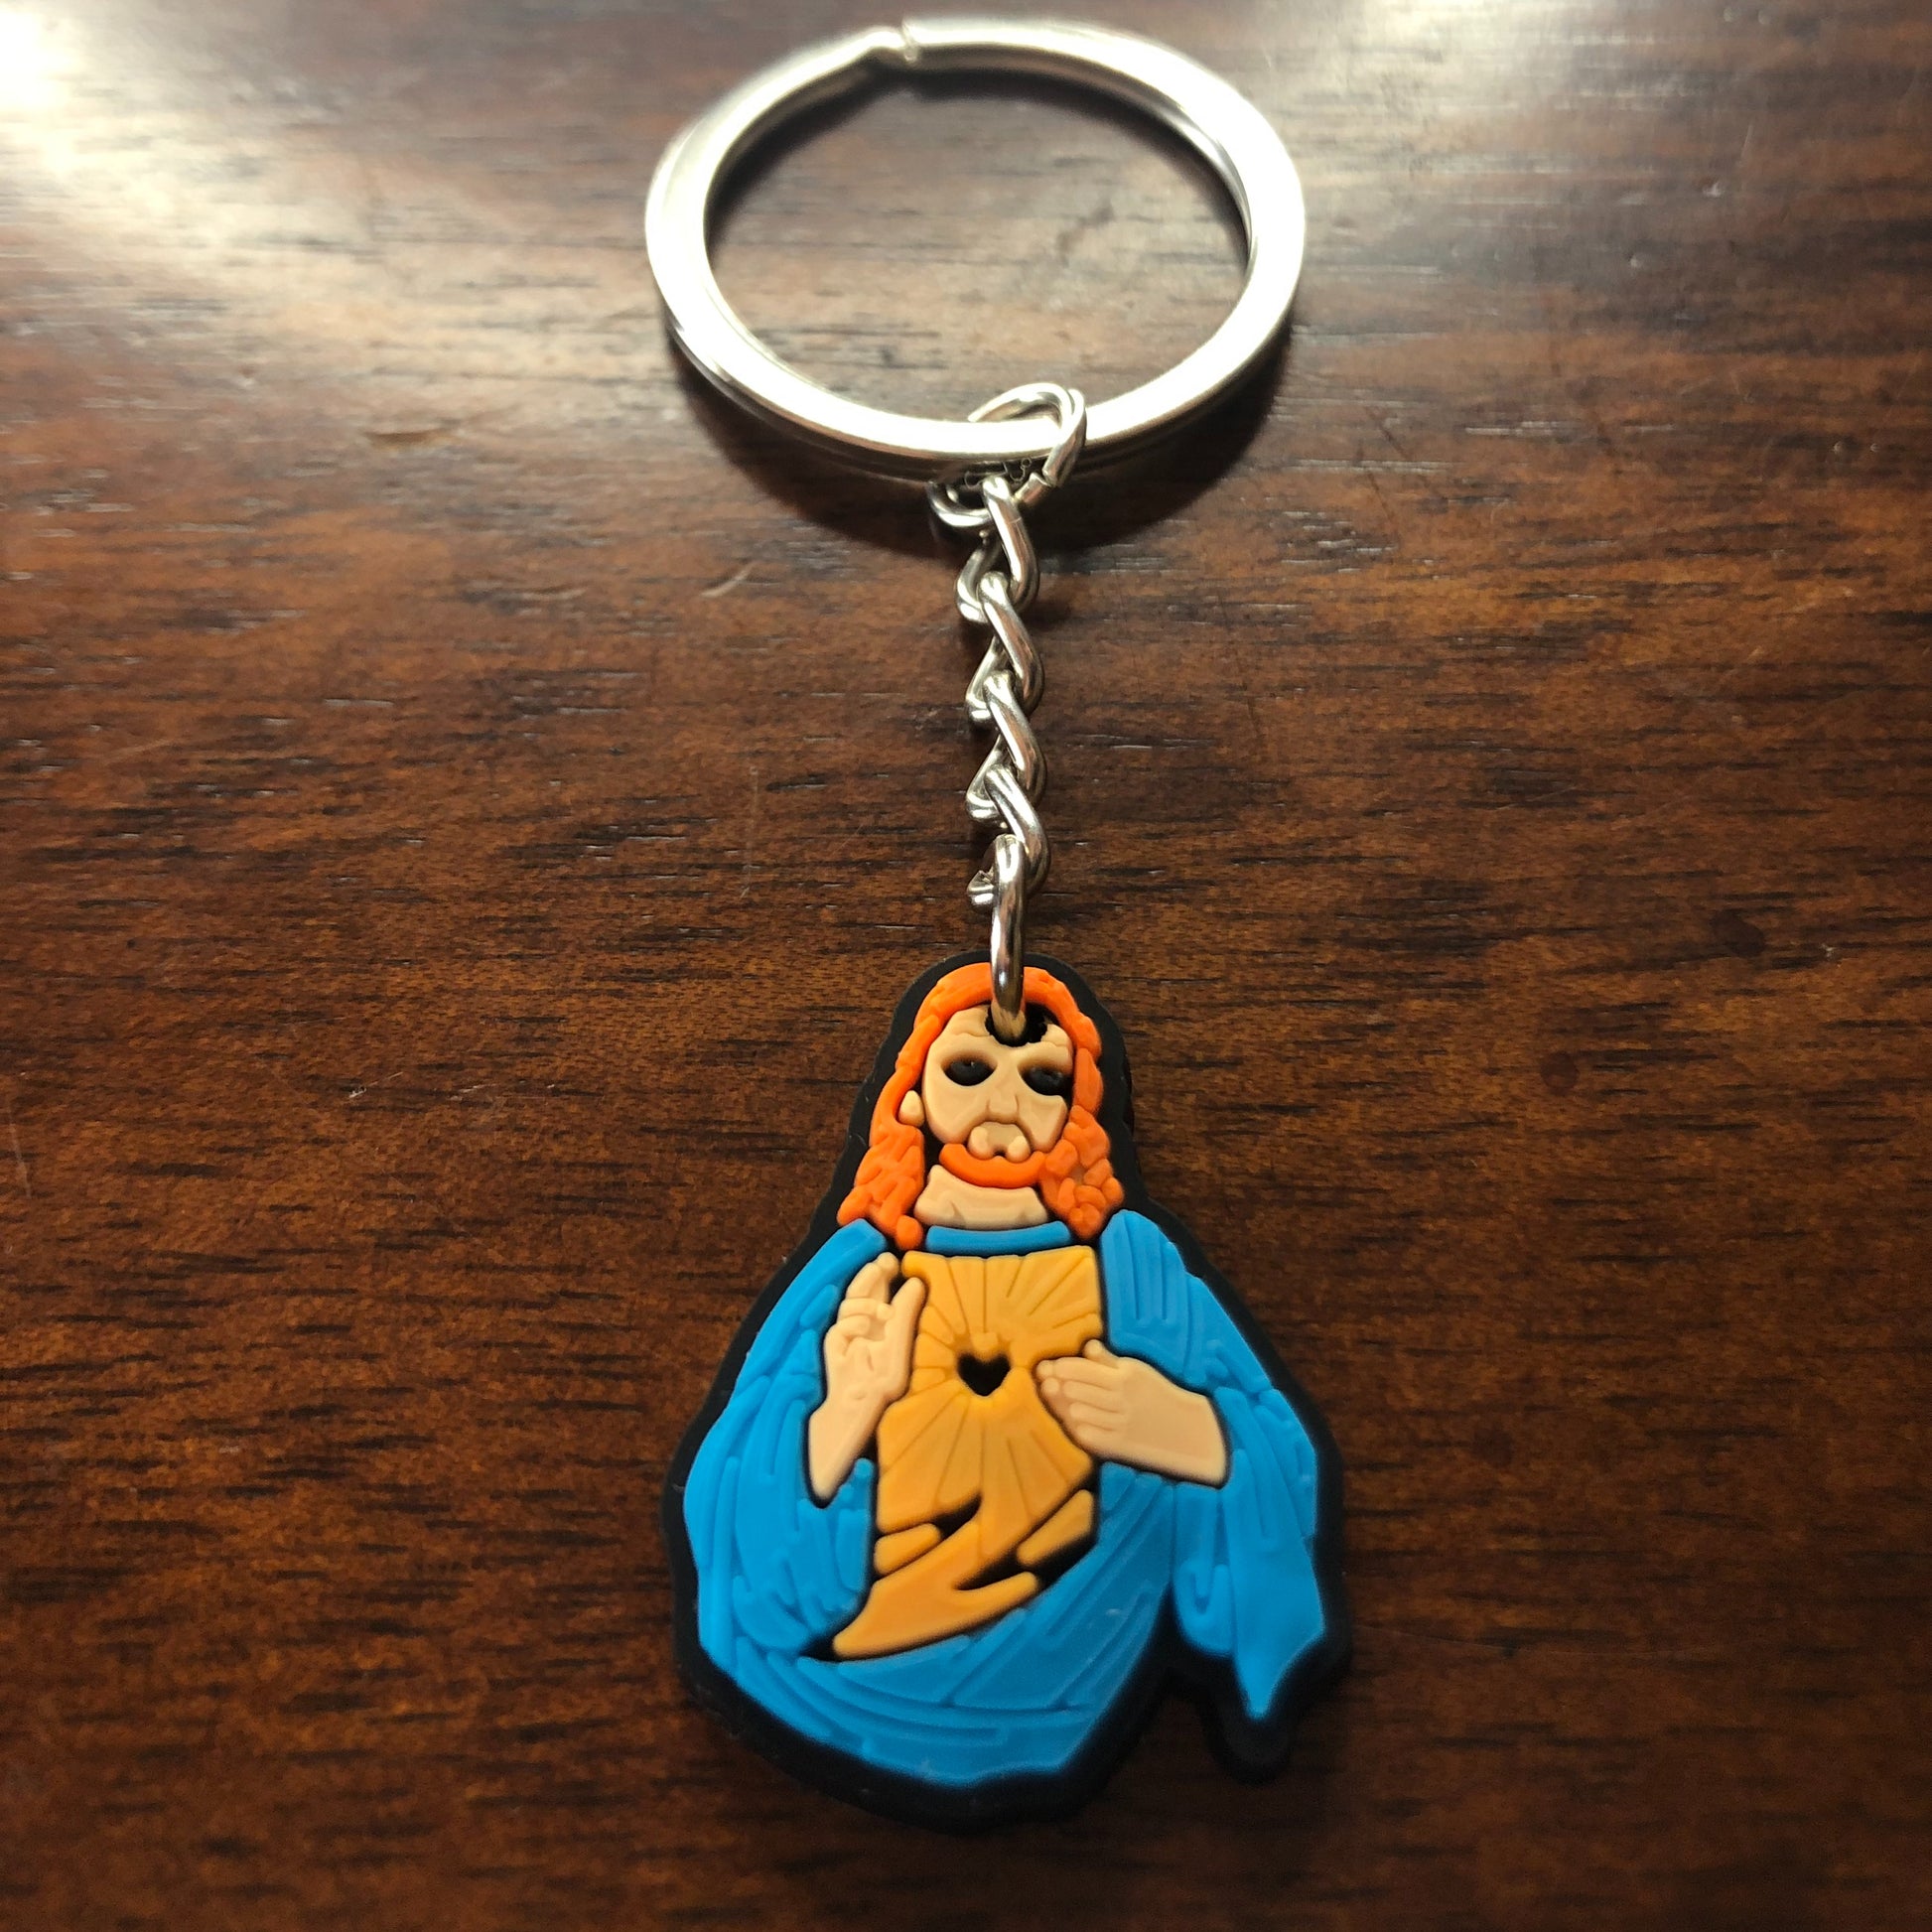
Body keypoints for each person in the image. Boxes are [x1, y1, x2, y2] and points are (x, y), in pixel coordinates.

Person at [676, 961, 1339, 1813]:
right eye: (969, 1069)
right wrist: (846, 1410)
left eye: (1043, 1079)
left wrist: (1190, 1434)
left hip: (1063, 1687)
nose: (1007, 1096)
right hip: (829, 1684)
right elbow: (735, 1520)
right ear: (912, 1098)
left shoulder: (1135, 1272)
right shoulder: (857, 1274)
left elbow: (1276, 1454)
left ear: (1076, 1111)